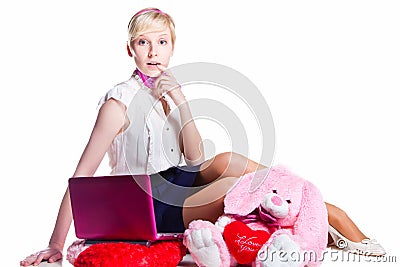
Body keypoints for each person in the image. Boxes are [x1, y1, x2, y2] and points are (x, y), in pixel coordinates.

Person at [20, 7, 385, 266]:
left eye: (161, 42)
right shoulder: (118, 103)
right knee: (229, 187)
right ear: (130, 49)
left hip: (176, 178)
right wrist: (55, 242)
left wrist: (179, 100)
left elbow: (194, 158)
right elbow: (81, 176)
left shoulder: (166, 90)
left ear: (172, 47)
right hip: (147, 200)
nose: (153, 52)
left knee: (223, 160)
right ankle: (329, 215)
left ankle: (310, 203)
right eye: (144, 43)